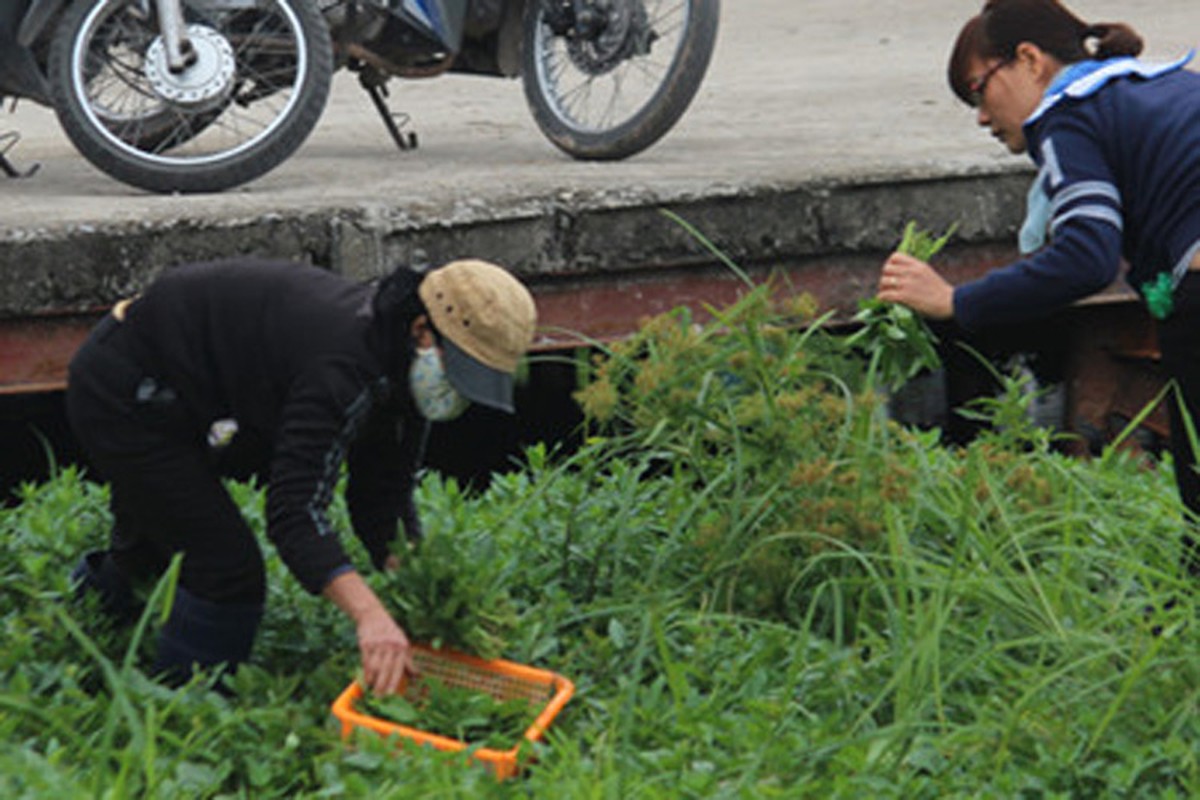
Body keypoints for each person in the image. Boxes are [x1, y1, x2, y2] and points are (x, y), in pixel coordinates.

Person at [65, 257, 538, 692]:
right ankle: (184, 714)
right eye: (460, 374)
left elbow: (384, 499)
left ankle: (83, 618)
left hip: (197, 395)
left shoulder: (401, 367)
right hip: (127, 389)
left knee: (158, 538)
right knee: (226, 568)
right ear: (422, 330)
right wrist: (370, 617)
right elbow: (294, 514)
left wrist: (419, 590)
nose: (458, 394)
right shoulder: (342, 367)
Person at [875, 0, 1200, 578]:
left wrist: (957, 301)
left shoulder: (1067, 113)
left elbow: (1085, 255)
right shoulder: (1160, 88)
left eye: (979, 90)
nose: (980, 117)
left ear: (1029, 61)